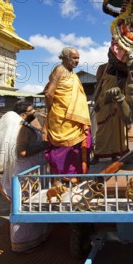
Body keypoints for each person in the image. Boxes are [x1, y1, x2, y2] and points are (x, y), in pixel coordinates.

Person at [0, 101, 49, 252]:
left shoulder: (26, 126)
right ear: (23, 115)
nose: (35, 112)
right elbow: (21, 152)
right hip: (25, 174)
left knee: (31, 204)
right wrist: (42, 146)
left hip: (30, 173)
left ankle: (34, 238)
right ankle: (23, 242)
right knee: (24, 205)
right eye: (31, 111)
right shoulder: (22, 128)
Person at [43, 47, 92, 176]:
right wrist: (50, 111)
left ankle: (74, 177)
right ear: (64, 58)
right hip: (60, 117)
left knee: (76, 149)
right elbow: (49, 94)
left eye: (78, 58)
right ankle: (61, 179)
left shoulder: (74, 75)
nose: (77, 61)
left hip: (75, 120)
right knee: (62, 150)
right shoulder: (59, 70)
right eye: (74, 58)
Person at [92, 63, 127, 162]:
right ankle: (97, 155)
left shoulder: (123, 67)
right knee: (102, 129)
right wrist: (95, 101)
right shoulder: (103, 67)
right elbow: (98, 85)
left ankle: (115, 154)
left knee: (117, 131)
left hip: (118, 103)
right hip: (104, 103)